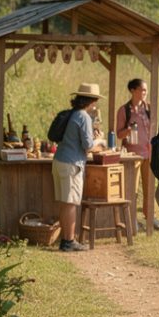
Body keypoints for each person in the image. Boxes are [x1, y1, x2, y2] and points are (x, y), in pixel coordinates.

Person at [52, 83, 106, 252]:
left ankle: (65, 239)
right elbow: (88, 146)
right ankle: (69, 240)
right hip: (72, 164)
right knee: (71, 203)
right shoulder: (83, 117)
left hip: (60, 160)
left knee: (63, 202)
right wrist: (101, 140)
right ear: (91, 101)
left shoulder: (72, 114)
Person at [115, 78, 159, 231]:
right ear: (133, 90)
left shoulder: (149, 108)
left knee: (149, 187)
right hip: (132, 155)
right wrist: (129, 130)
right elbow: (119, 134)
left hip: (149, 153)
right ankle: (131, 219)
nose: (145, 93)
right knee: (133, 189)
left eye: (146, 90)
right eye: (142, 90)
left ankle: (150, 216)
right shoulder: (124, 110)